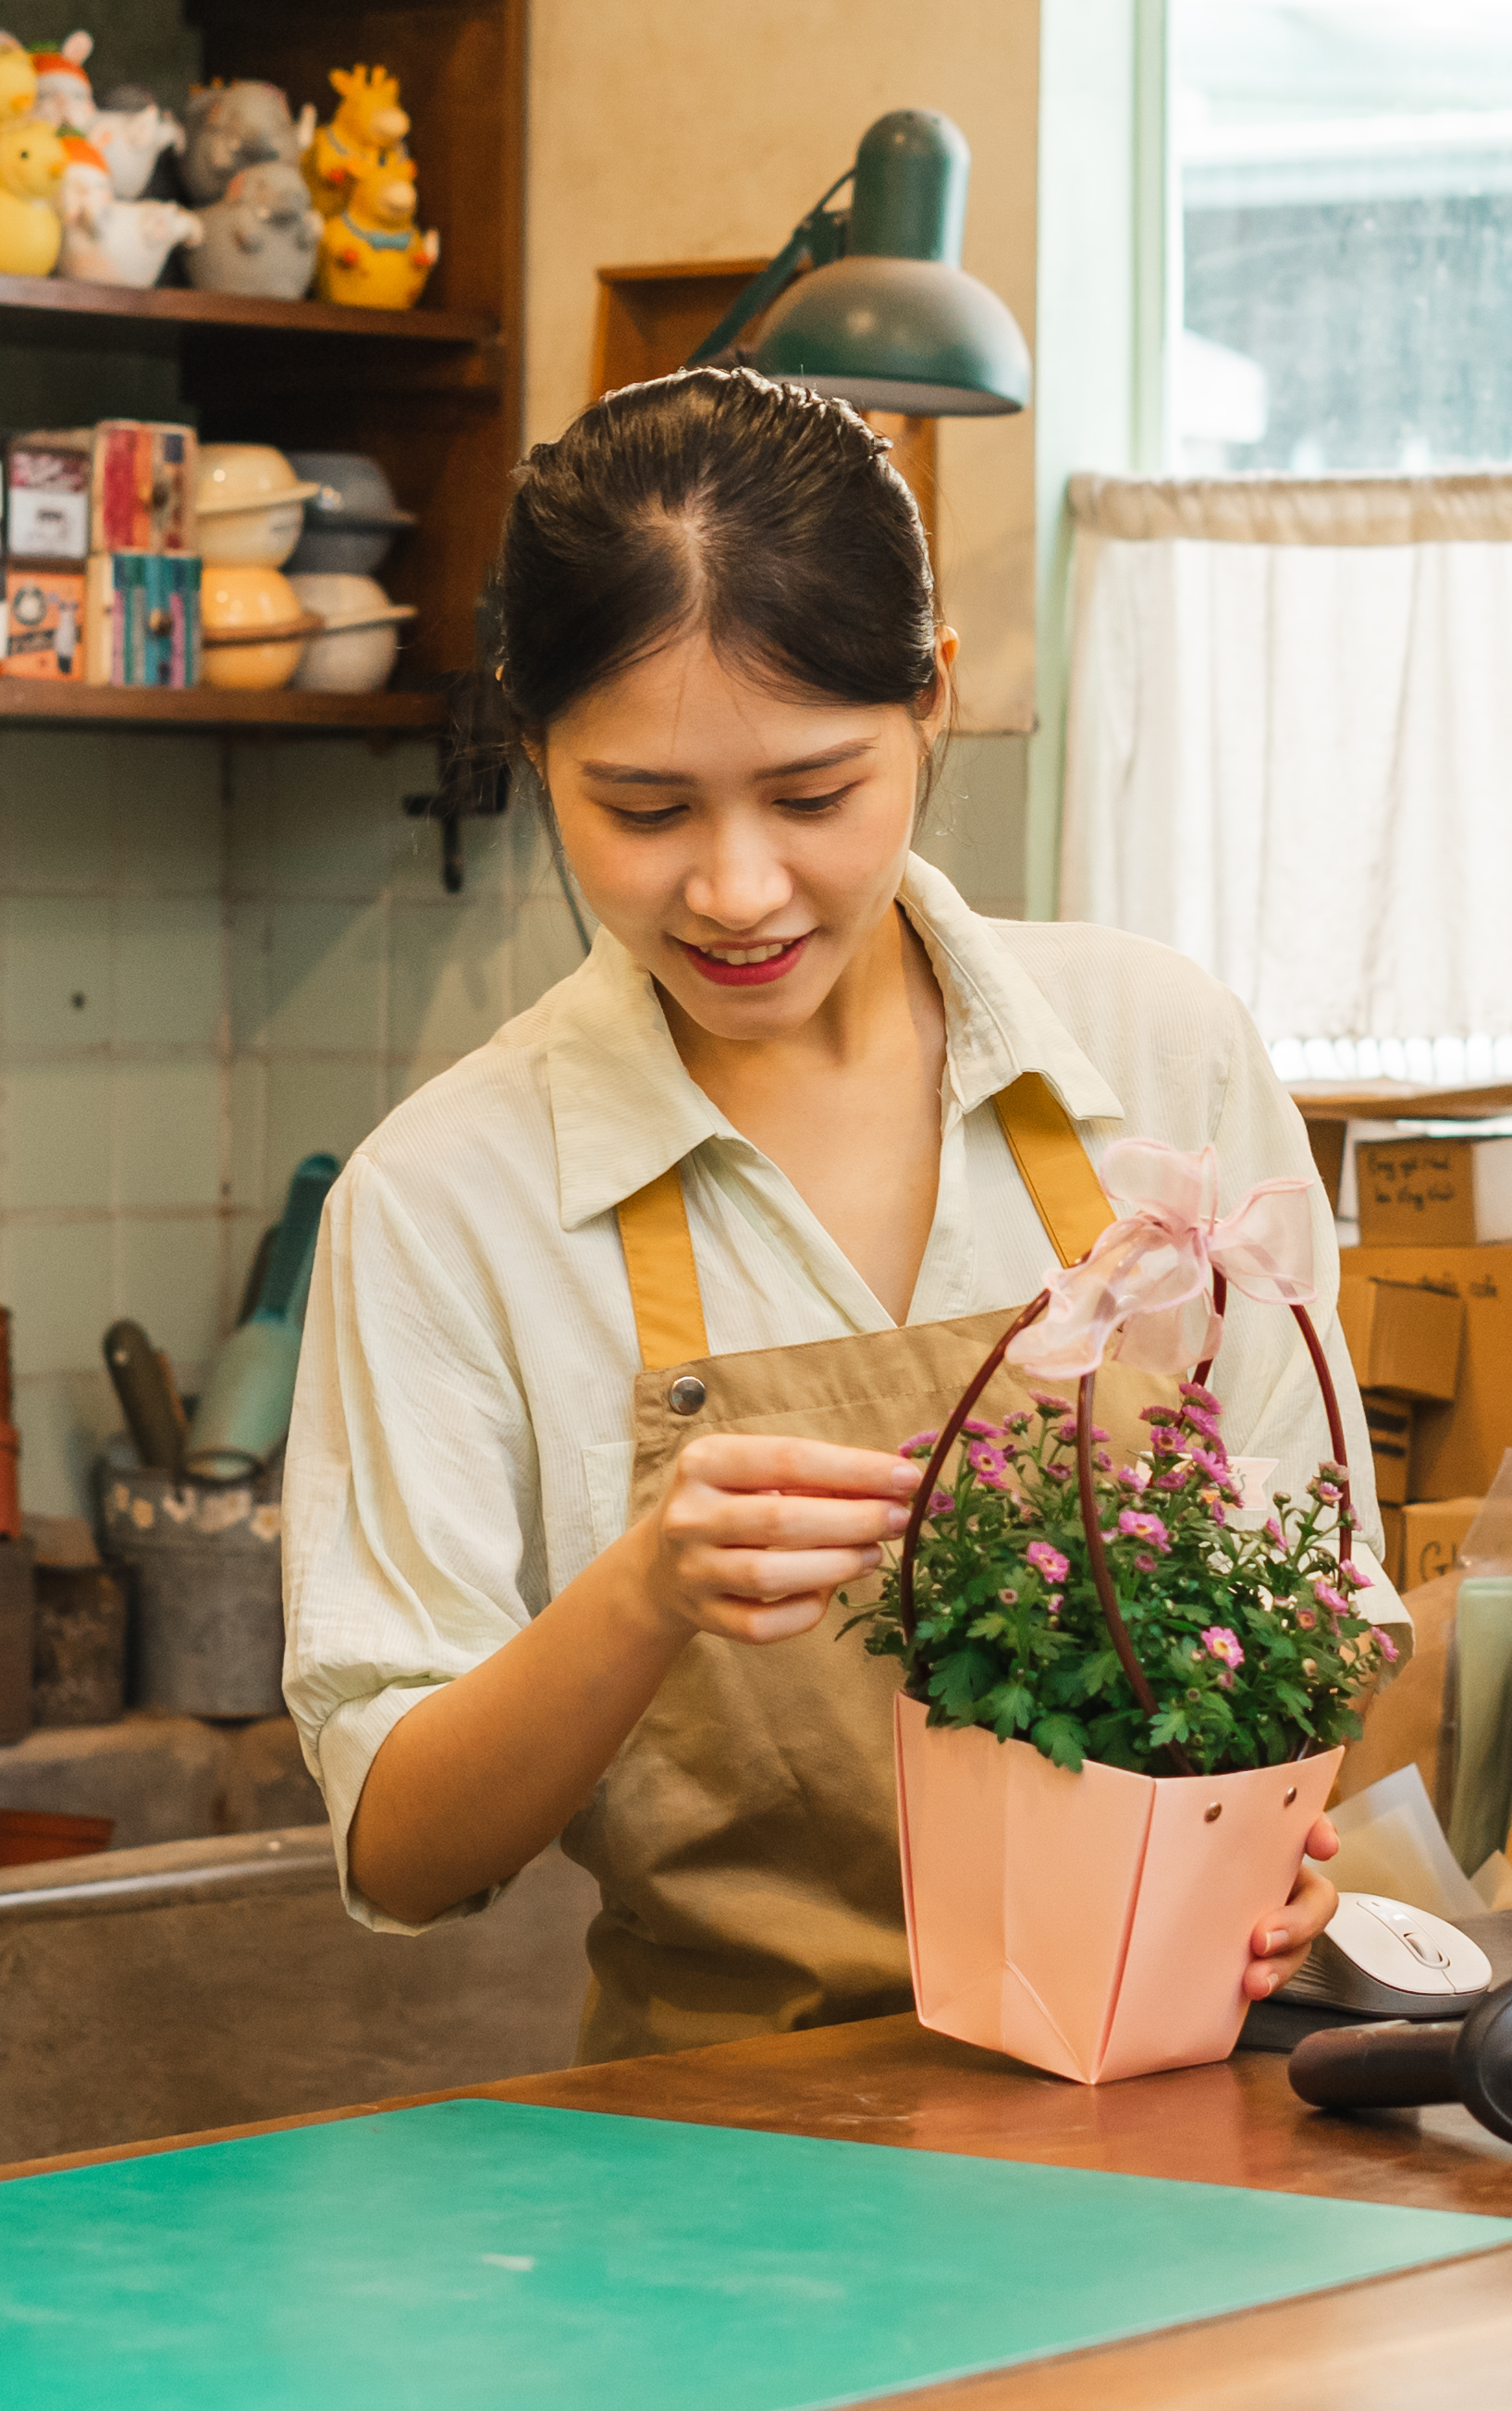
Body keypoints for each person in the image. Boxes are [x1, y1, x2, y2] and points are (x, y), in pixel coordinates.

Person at [281, 368, 1355, 2057]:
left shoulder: (1156, 1054)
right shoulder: (446, 1199)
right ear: (531, 742)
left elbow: (1317, 1591)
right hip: (730, 2176)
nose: (735, 890)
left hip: (1187, 2108)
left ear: (933, 700)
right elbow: (402, 1854)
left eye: (811, 795)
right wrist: (640, 1597)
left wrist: (1279, 1840)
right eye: (640, 810)